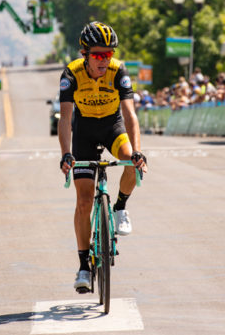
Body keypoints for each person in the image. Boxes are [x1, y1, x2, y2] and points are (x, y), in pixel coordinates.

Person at [57, 21, 147, 293]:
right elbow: (65, 118)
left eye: (108, 54)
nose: (104, 60)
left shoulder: (119, 70)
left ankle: (119, 206)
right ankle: (84, 266)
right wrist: (66, 154)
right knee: (84, 201)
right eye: (98, 54)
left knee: (131, 160)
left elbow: (130, 114)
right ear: (84, 53)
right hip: (84, 133)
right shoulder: (71, 73)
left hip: (112, 127)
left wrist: (138, 150)